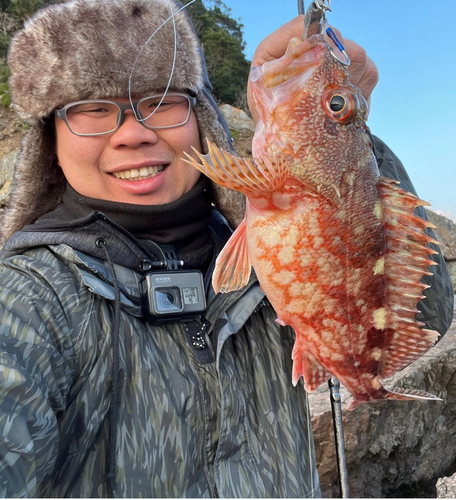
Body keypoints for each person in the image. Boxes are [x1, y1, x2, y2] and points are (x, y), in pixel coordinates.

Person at [0, 0, 452, 497]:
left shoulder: (257, 251)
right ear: (51, 140)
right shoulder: (28, 299)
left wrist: (356, 135)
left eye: (163, 100)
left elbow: (429, 312)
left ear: (203, 119)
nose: (133, 133)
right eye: (92, 111)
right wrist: (329, 115)